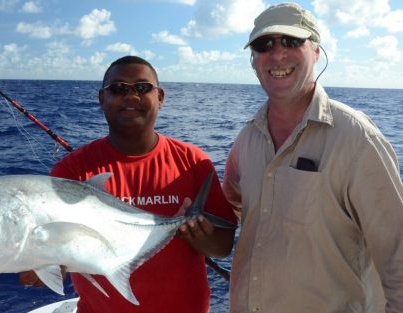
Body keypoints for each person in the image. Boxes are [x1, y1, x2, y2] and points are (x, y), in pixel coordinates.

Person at [222, 2, 403, 313]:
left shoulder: (358, 138)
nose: (277, 54)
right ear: (253, 61)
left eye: (292, 41)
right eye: (264, 44)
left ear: (316, 52)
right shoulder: (246, 139)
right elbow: (232, 208)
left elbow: (398, 257)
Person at [20, 55, 237, 312]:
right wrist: (45, 262)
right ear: (102, 98)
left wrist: (198, 235)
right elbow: (56, 248)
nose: (131, 96)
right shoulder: (72, 170)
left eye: (143, 88)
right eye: (118, 88)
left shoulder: (193, 162)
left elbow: (222, 247)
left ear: (160, 97)